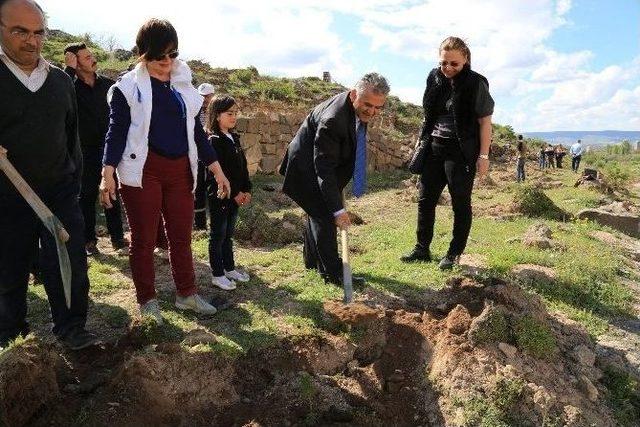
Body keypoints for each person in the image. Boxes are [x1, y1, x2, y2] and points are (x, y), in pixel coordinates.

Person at [100, 18, 231, 324]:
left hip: (180, 170)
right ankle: (147, 301)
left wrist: (217, 169)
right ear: (143, 53)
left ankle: (186, 294)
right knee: (144, 241)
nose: (167, 62)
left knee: (181, 237)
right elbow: (115, 132)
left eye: (173, 54)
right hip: (143, 171)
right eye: (160, 56)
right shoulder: (127, 88)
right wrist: (107, 172)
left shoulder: (182, 84)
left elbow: (197, 134)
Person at [0, 0, 98, 350]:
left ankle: (72, 328)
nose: (32, 41)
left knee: (69, 263)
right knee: (8, 269)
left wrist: (73, 186)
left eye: (38, 32)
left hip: (58, 191)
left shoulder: (59, 82)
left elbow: (71, 138)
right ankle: (10, 335)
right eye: (19, 31)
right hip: (7, 195)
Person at [279, 73, 390, 287]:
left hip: (321, 165)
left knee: (316, 213)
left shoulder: (357, 109)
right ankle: (334, 274)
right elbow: (324, 168)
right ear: (353, 94)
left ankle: (313, 262)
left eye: (378, 107)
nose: (372, 111)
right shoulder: (333, 120)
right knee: (324, 216)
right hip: (306, 168)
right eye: (368, 105)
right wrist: (338, 211)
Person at [400, 36, 493, 270]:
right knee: (425, 200)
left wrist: (483, 156)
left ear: (466, 60)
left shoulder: (476, 83)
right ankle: (422, 249)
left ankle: (453, 253)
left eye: (454, 63)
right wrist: (422, 142)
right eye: (444, 63)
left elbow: (485, 122)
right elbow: (427, 114)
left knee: (460, 203)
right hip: (433, 148)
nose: (448, 68)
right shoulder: (434, 77)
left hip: (461, 152)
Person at [63, 42, 127, 256]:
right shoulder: (69, 86)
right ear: (75, 62)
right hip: (84, 151)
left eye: (92, 55)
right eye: (86, 57)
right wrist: (68, 70)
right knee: (87, 196)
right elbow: (59, 97)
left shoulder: (108, 85)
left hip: (109, 149)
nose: (92, 59)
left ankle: (118, 239)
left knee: (112, 192)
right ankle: (89, 241)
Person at [203, 95, 252, 290]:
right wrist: (233, 194)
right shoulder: (214, 141)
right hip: (221, 196)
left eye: (236, 113)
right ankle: (217, 273)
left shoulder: (234, 138)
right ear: (216, 115)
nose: (234, 117)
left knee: (228, 235)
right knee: (217, 235)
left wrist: (246, 189)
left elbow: (242, 168)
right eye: (229, 113)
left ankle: (229, 268)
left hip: (236, 196)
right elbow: (220, 173)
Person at [194, 82, 215, 230]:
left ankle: (215, 221)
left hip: (214, 153)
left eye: (207, 96)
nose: (205, 99)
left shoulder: (217, 111)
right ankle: (200, 224)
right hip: (198, 154)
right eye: (203, 96)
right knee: (199, 187)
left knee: (213, 186)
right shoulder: (195, 110)